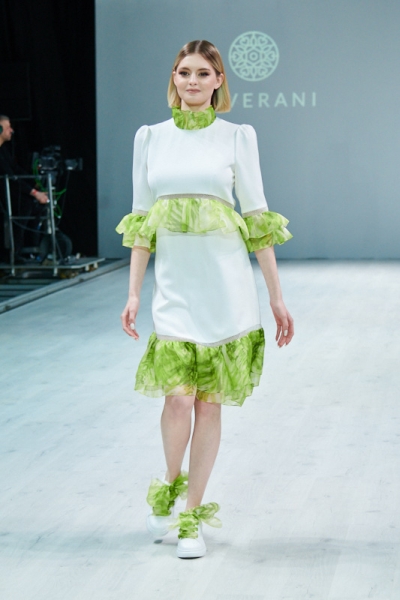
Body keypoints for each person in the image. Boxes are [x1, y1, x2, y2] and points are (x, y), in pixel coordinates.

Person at [116, 40, 294, 559]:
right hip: (174, 287)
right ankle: (171, 483)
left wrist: (276, 297)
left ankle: (191, 515)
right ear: (174, 78)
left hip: (225, 287)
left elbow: (257, 218)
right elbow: (141, 223)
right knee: (176, 398)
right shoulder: (150, 138)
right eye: (183, 72)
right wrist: (133, 292)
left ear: (218, 81)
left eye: (202, 73)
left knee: (208, 404)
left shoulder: (238, 136)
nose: (191, 81)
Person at [0, 115, 48, 260]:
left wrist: (35, 183)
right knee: (24, 205)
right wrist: (34, 193)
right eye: (8, 127)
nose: (11, 130)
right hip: (4, 196)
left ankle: (32, 249)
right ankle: (14, 252)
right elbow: (11, 177)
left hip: (11, 192)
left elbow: (16, 169)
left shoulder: (3, 150)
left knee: (35, 207)